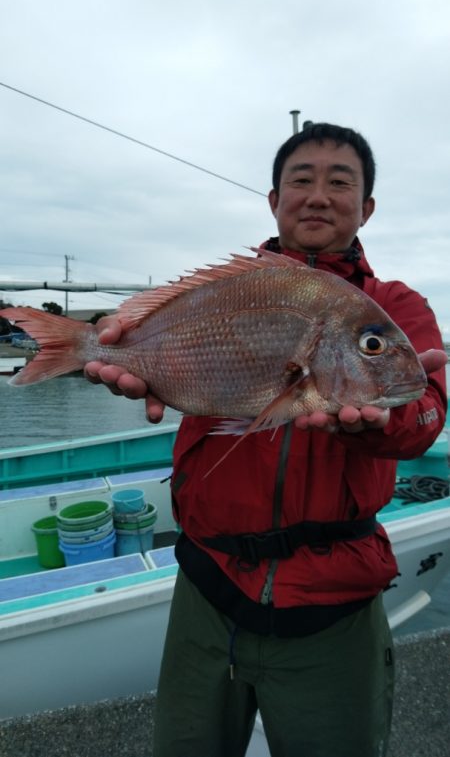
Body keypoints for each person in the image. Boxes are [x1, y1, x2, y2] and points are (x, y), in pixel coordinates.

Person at [85, 122, 447, 757]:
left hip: (332, 606)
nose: (318, 195)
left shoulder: (392, 306)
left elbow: (425, 413)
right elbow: (169, 358)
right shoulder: (228, 290)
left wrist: (388, 422)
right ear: (274, 200)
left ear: (365, 208)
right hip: (206, 587)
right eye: (300, 180)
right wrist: (137, 362)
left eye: (340, 183)